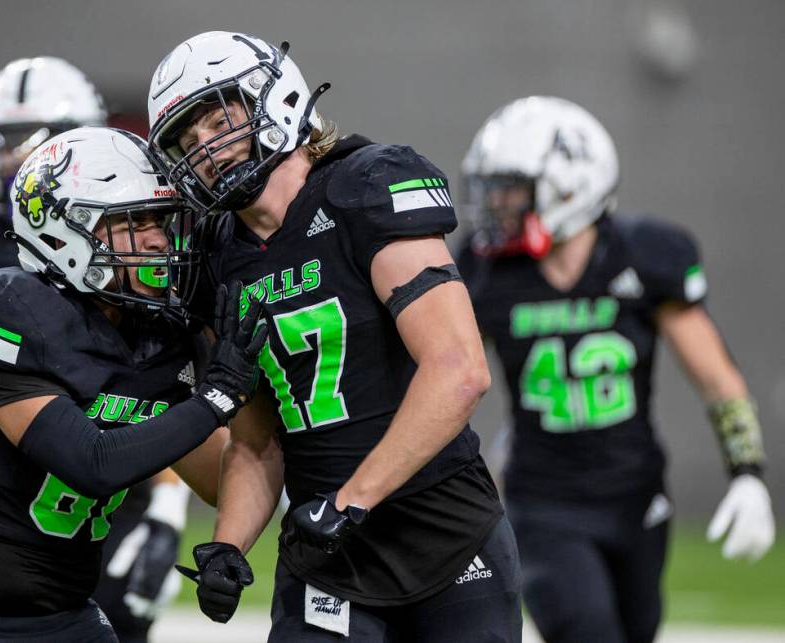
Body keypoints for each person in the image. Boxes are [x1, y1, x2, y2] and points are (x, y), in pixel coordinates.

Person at [147, 31, 523, 642]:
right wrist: (228, 545)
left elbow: (458, 369)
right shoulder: (218, 256)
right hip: (325, 554)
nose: (207, 152)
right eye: (188, 143)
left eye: (219, 121)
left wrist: (352, 499)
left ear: (276, 98)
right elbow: (255, 441)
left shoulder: (364, 186)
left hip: (445, 539)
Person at [0, 127, 267, 641]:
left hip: (62, 606)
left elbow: (218, 478)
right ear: (65, 234)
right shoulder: (4, 307)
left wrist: (230, 538)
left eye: (163, 221)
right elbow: (91, 463)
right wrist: (218, 395)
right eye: (136, 221)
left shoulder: (161, 335)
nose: (158, 239)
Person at [455, 95, 776, 643]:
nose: (496, 205)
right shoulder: (487, 272)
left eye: (511, 188)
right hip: (543, 501)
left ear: (571, 187)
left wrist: (747, 474)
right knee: (587, 632)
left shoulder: (645, 255)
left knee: (635, 631)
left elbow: (716, 376)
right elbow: (447, 370)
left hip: (635, 495)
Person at [0, 57, 194, 642]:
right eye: (5, 141)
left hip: (112, 477)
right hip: (10, 492)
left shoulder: (145, 268)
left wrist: (166, 510)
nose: (16, 157)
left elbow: (159, 385)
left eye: (39, 141)